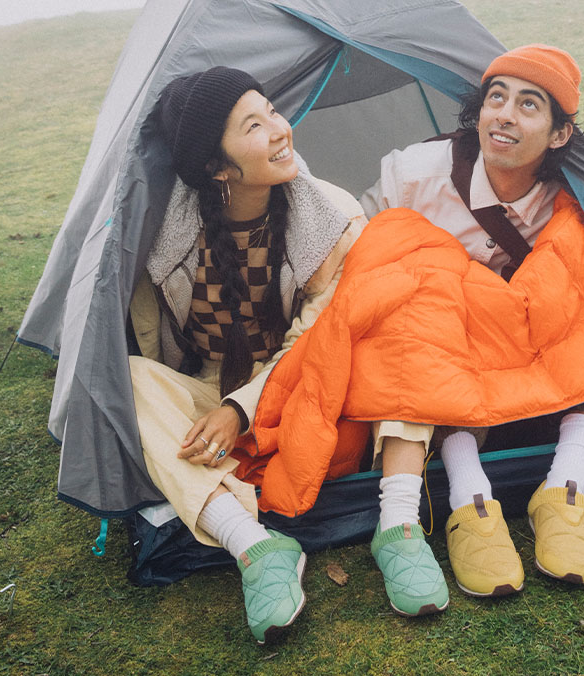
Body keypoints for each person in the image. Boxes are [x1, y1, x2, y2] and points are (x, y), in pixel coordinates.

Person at [360, 45, 584, 598]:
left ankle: (565, 487)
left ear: (559, 135)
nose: (505, 115)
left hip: (524, 338)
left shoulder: (573, 194)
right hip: (439, 342)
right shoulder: (412, 175)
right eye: (496, 99)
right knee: (416, 322)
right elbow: (362, 257)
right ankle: (470, 498)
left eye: (528, 105)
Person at [127, 66, 370, 643]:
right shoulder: (160, 225)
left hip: (294, 386)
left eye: (272, 111)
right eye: (254, 126)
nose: (282, 130)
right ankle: (255, 543)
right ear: (217, 167)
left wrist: (240, 408)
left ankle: (223, 506)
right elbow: (140, 328)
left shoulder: (333, 220)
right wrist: (208, 400)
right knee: (132, 378)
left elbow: (315, 341)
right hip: (207, 382)